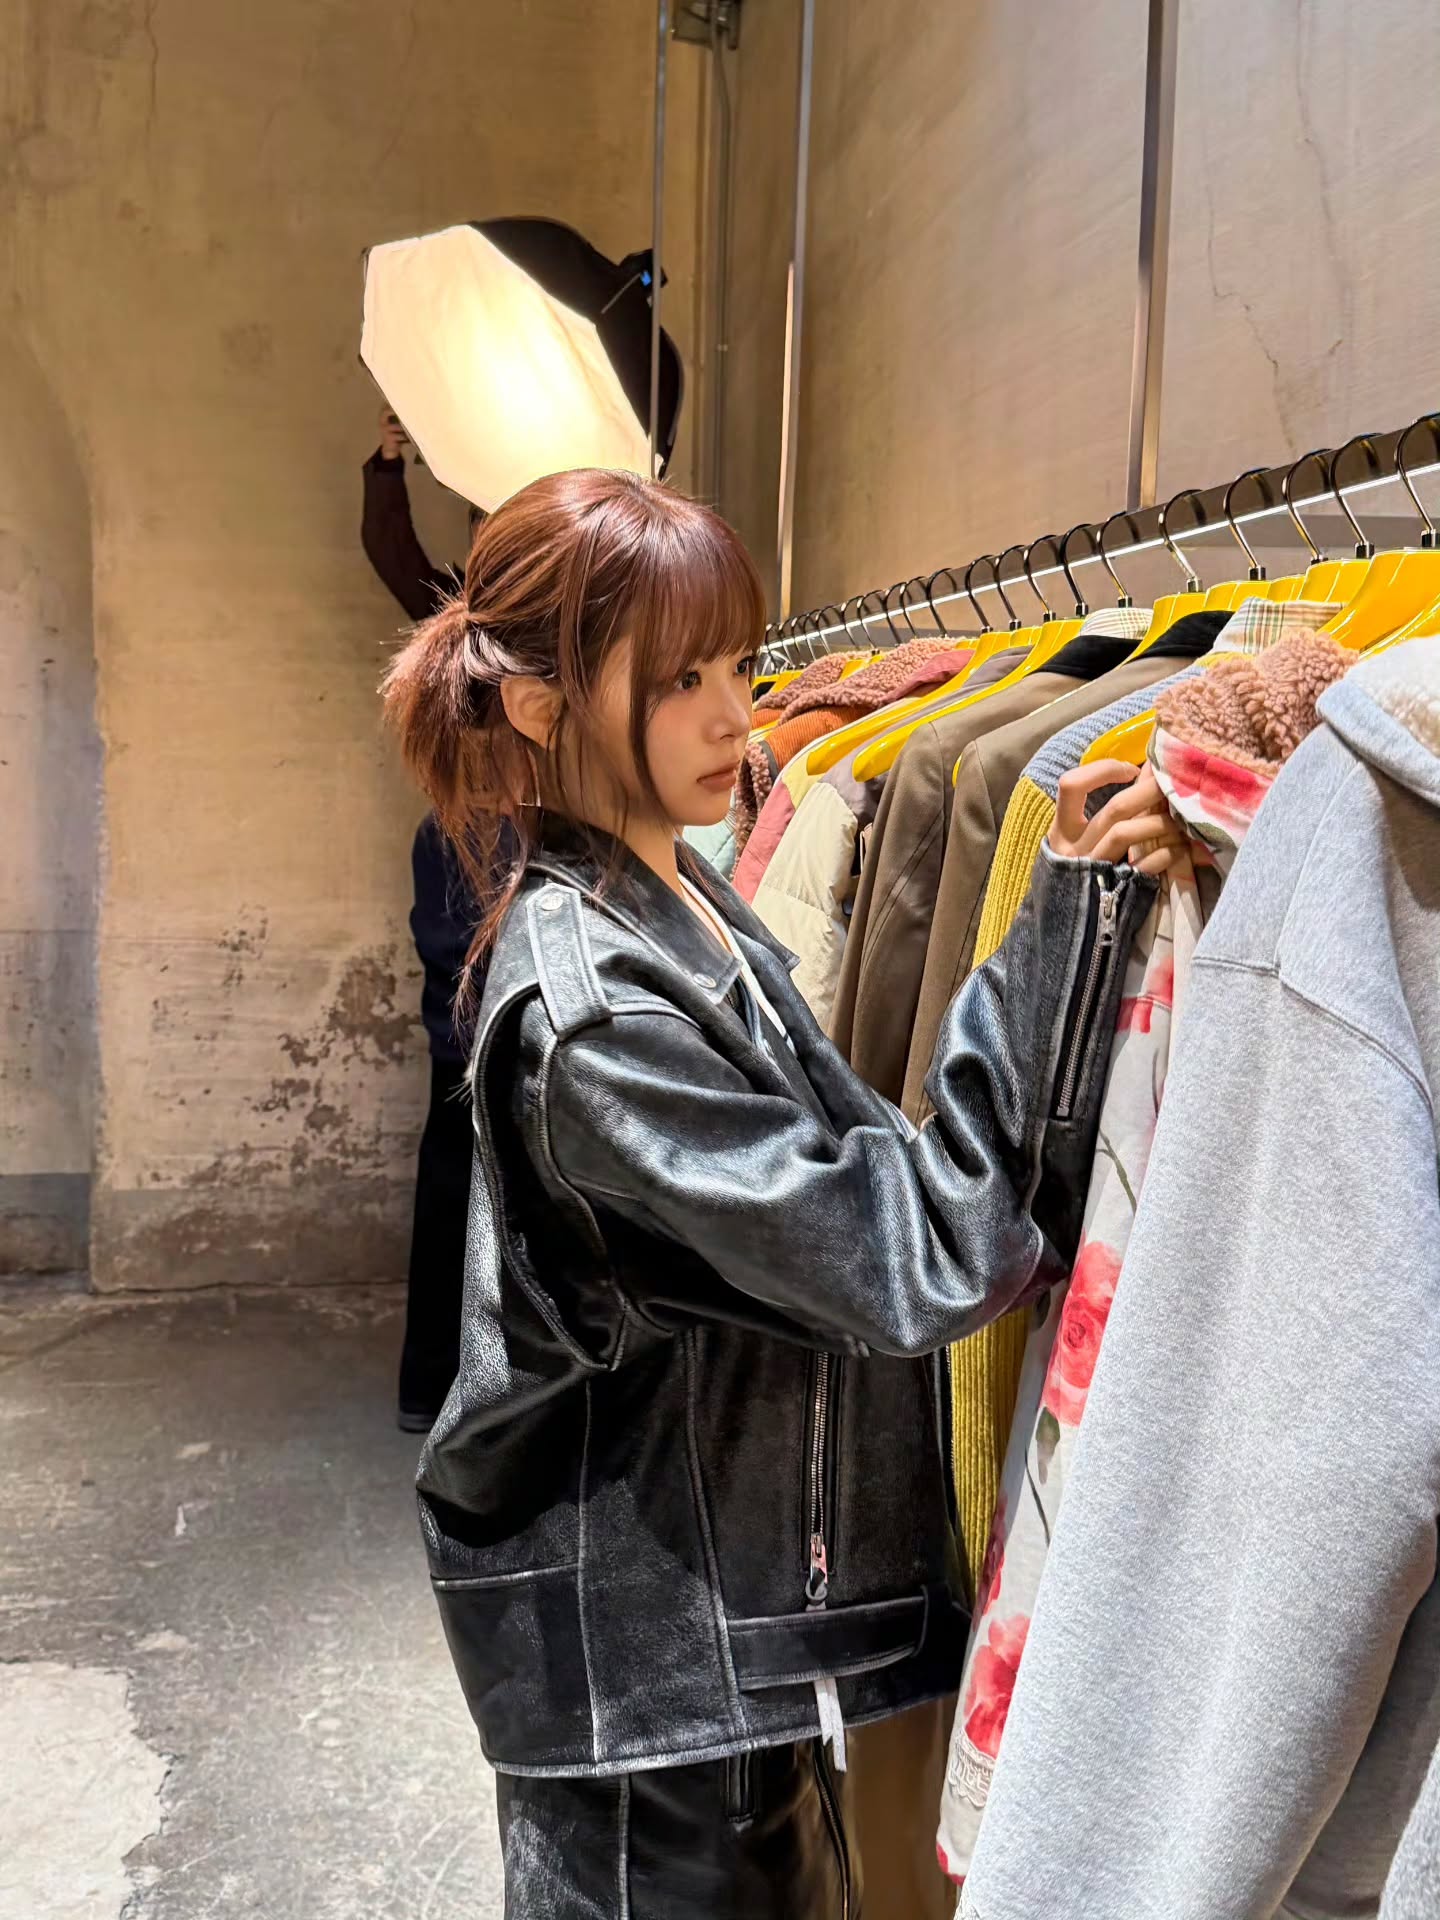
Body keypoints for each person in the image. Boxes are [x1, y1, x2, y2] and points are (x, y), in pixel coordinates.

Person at [382, 468, 1182, 1917]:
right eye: (676, 680)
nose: (735, 716)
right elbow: (911, 1253)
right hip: (651, 1704)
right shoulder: (598, 1020)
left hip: (711, 1656)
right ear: (542, 707)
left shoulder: (675, 901)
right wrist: (1066, 904)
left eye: (735, 665)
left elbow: (866, 1178)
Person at [360, 405, 487, 1429]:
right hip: (463, 864)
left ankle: (475, 1387)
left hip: (515, 862)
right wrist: (389, 459)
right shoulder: (458, 622)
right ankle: (432, 1381)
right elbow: (391, 550)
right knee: (455, 1136)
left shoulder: (570, 631)